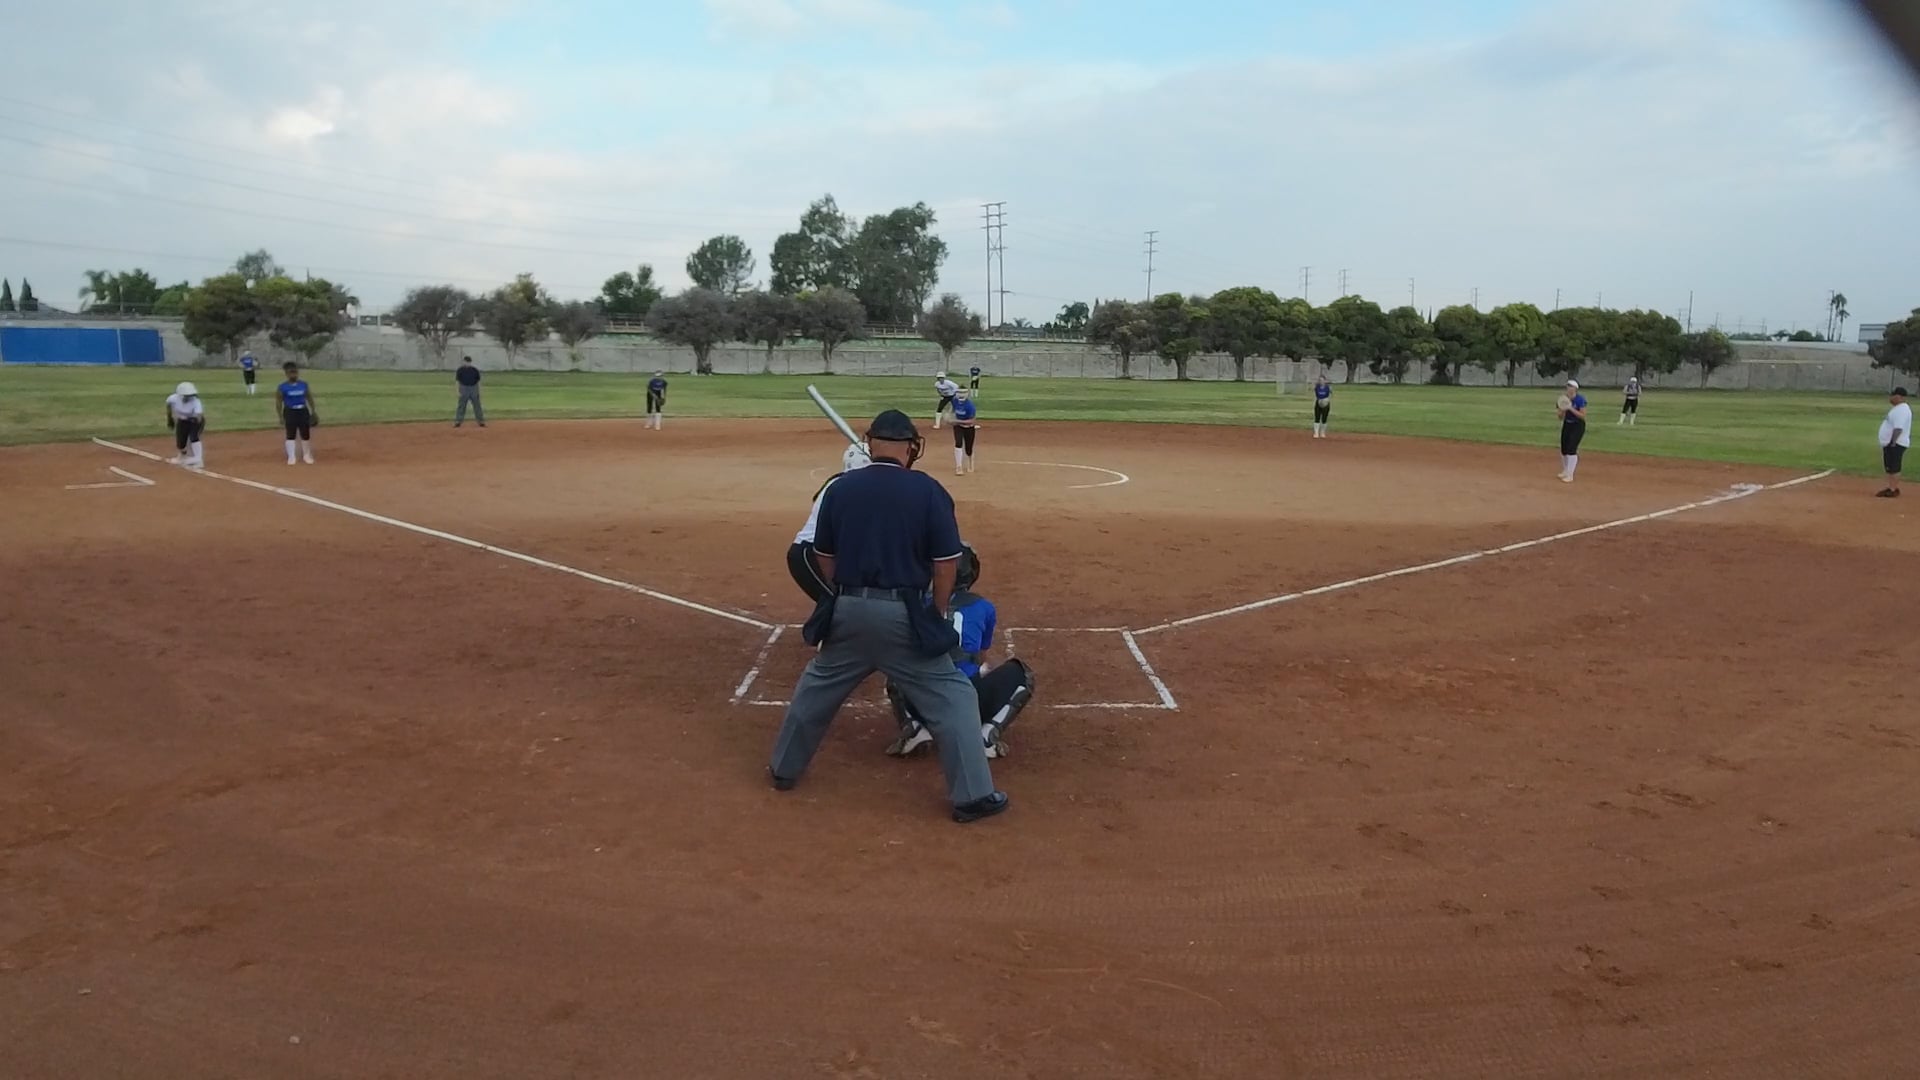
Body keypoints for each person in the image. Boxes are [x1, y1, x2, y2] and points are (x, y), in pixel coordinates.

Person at [767, 409, 1008, 824]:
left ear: (869, 443)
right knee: (954, 696)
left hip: (848, 610)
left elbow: (822, 555)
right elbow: (946, 563)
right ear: (911, 448)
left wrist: (843, 596)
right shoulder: (927, 490)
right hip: (903, 614)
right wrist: (937, 611)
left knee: (816, 688)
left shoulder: (840, 488)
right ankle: (972, 796)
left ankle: (783, 769)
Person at [885, 544, 1036, 761]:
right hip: (969, 703)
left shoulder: (920, 603)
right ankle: (987, 734)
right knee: (1023, 673)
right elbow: (981, 656)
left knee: (896, 668)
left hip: (925, 701)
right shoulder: (984, 607)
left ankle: (914, 728)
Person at [788, 441, 872, 602]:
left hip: (820, 553)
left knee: (841, 601)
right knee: (835, 602)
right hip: (809, 553)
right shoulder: (846, 487)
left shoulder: (841, 483)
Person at [277, 362, 318, 465]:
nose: (293, 374)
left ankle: (306, 455)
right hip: (290, 411)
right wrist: (280, 416)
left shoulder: (303, 385)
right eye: (291, 372)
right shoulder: (282, 387)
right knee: (291, 434)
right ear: (286, 374)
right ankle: (291, 457)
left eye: (295, 372)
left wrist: (313, 411)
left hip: (302, 410)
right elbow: (278, 402)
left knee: (305, 433)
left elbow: (309, 398)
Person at [1878, 386, 1911, 498]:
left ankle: (1893, 489)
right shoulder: (1898, 408)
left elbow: (1898, 428)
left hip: (1896, 443)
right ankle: (1891, 487)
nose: (1890, 398)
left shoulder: (1902, 410)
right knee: (1890, 466)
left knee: (1894, 466)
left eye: (1893, 396)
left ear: (1899, 397)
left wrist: (1893, 442)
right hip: (1892, 443)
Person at [164, 381, 206, 469]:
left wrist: (194, 424)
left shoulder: (196, 401)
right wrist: (170, 419)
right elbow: (168, 406)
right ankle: (182, 456)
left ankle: (198, 460)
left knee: (194, 437)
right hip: (182, 421)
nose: (189, 397)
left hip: (195, 421)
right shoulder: (172, 399)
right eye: (186, 395)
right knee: (180, 441)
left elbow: (199, 416)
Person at [1556, 379, 1587, 483]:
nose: (1569, 388)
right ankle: (1565, 471)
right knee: (1564, 449)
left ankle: (1570, 474)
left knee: (1571, 448)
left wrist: (1570, 408)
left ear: (1575, 389)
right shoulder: (1563, 399)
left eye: (1571, 386)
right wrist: (1563, 410)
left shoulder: (1579, 399)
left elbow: (1582, 416)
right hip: (1567, 424)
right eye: (1568, 386)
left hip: (1578, 425)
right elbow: (1560, 417)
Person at [950, 388, 979, 475]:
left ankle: (970, 462)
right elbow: (953, 409)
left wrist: (956, 421)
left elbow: (972, 421)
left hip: (968, 427)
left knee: (968, 449)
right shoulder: (954, 401)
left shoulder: (970, 406)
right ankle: (959, 467)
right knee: (958, 443)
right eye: (959, 392)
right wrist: (950, 416)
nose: (961, 395)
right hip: (958, 426)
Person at [454, 355, 485, 428]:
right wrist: (457, 391)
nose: (467, 363)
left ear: (470, 362)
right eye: (466, 362)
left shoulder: (475, 370)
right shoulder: (460, 370)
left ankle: (481, 421)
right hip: (464, 388)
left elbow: (478, 382)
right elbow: (457, 381)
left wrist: (479, 391)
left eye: (468, 362)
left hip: (473, 388)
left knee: (477, 406)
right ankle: (458, 421)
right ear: (464, 362)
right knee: (461, 406)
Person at [1311, 373, 1332, 439]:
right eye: (1320, 380)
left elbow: (1331, 394)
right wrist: (1313, 384)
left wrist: (1327, 400)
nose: (1321, 381)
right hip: (1318, 403)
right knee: (1317, 417)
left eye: (1322, 380)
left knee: (1324, 418)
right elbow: (1311, 389)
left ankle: (1322, 433)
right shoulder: (1317, 387)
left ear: (1325, 381)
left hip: (1326, 404)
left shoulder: (1328, 387)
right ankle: (1316, 433)